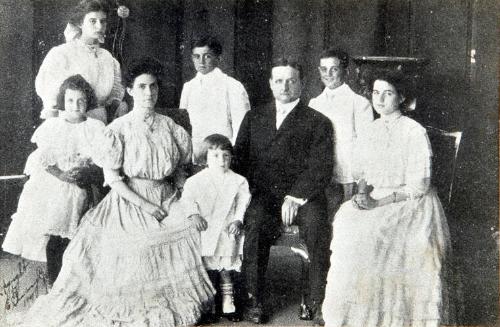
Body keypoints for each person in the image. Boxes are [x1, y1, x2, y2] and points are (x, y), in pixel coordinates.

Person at [17, 57, 214, 327]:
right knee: (135, 242)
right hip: (128, 199)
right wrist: (147, 207)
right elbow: (114, 179)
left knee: (193, 228)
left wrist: (184, 197)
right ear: (131, 91)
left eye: (153, 86)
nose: (149, 93)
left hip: (168, 195)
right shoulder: (117, 130)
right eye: (142, 87)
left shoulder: (171, 127)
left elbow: (179, 170)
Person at [322, 69, 450, 327]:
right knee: (347, 225)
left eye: (388, 93)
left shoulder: (414, 131)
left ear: (401, 97)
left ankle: (391, 318)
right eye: (376, 93)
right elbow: (363, 173)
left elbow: (420, 185)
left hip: (410, 202)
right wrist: (361, 193)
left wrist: (379, 203)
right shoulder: (371, 129)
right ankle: (354, 317)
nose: (379, 99)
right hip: (377, 196)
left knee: (375, 234)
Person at [233, 57, 334, 324]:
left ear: (302, 84)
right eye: (279, 81)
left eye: (291, 80)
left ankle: (315, 300)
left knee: (316, 226)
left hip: (304, 198)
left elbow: (320, 168)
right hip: (264, 195)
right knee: (254, 223)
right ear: (270, 84)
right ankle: (254, 300)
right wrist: (251, 193)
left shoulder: (318, 121)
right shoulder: (253, 117)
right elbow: (239, 161)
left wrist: (295, 196)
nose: (285, 86)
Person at [2, 75, 105, 286]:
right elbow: (44, 160)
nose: (75, 106)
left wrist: (87, 170)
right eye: (70, 101)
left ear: (88, 102)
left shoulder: (95, 128)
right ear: (62, 102)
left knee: (81, 236)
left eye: (81, 101)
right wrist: (61, 175)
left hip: (84, 184)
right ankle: (55, 281)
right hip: (56, 186)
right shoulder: (53, 127)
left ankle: (76, 281)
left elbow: (102, 157)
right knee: (57, 233)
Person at [181, 134, 251, 322]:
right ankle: (209, 304)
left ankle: (228, 303)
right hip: (206, 229)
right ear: (205, 159)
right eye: (215, 156)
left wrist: (238, 220)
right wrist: (194, 214)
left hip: (228, 229)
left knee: (227, 268)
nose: (221, 161)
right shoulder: (195, 181)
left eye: (226, 156)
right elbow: (187, 199)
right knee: (208, 268)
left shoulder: (238, 180)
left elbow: (243, 202)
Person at [309, 48, 373, 219]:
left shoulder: (360, 104)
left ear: (346, 71)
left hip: (348, 176)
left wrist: (361, 184)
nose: (328, 74)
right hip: (323, 176)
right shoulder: (314, 103)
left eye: (334, 69)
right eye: (323, 69)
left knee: (347, 220)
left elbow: (366, 147)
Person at [35, 0, 125, 124]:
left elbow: (115, 94)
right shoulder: (62, 54)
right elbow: (50, 100)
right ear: (80, 23)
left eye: (103, 21)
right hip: (68, 125)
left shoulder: (108, 58)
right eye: (93, 21)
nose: (99, 26)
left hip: (99, 126)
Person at [179, 35, 250, 165]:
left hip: (222, 157)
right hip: (194, 157)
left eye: (207, 56)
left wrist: (230, 158)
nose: (201, 62)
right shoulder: (188, 87)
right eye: (197, 56)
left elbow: (241, 129)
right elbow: (183, 127)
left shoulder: (232, 86)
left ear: (218, 58)